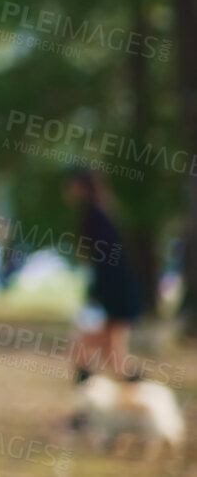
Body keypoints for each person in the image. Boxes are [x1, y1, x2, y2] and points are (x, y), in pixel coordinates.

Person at [64, 167, 145, 391]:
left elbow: (104, 258)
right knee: (113, 342)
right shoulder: (101, 211)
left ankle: (88, 376)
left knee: (102, 339)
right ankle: (122, 379)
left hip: (112, 286)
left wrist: (97, 290)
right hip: (116, 284)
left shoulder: (93, 215)